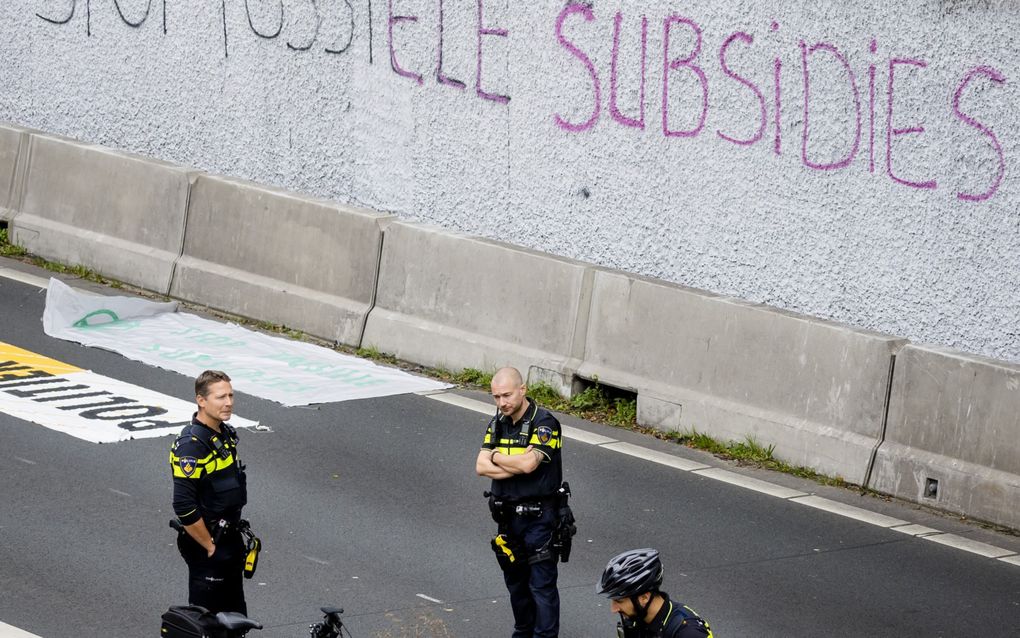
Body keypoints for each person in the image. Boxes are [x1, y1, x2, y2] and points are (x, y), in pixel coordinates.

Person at [476, 367, 565, 638]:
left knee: (541, 586)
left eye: (507, 395)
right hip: (507, 519)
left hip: (539, 519)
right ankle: (523, 633)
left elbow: (529, 464)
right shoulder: (497, 422)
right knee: (516, 584)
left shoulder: (545, 423)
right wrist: (511, 462)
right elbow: (480, 466)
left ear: (522, 390)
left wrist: (498, 457)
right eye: (496, 397)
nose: (502, 402)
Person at [170, 370, 249, 614]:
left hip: (229, 538)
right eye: (220, 397)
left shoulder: (224, 434)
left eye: (231, 395)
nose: (229, 403)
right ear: (201, 400)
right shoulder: (191, 447)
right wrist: (209, 546)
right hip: (208, 544)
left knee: (234, 616)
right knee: (209, 620)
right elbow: (183, 505)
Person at [596, 548, 713, 638]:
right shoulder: (635, 618)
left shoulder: (688, 633)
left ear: (644, 597)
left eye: (619, 601)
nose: (613, 609)